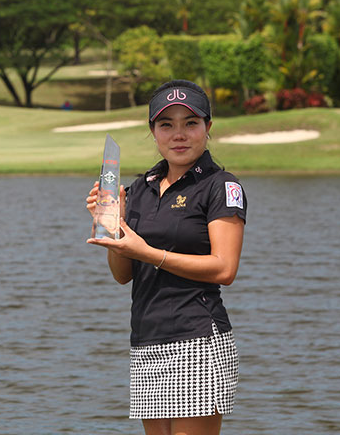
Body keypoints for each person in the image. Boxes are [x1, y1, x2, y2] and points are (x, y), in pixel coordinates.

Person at [85, 79, 246, 435]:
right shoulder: (139, 188)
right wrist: (114, 227)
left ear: (208, 127)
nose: (179, 134)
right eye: (166, 124)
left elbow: (224, 268)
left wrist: (149, 253)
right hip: (147, 341)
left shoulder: (220, 186)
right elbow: (124, 274)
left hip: (197, 340)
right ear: (153, 131)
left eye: (190, 123)